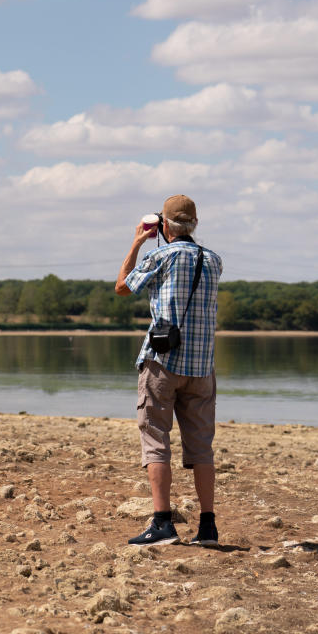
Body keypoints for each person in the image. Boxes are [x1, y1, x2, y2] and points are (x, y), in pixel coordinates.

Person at [114, 195, 223, 546]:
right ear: (194, 224)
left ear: (164, 226)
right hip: (202, 367)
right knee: (202, 448)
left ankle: (163, 524)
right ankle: (208, 527)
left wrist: (136, 242)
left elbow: (122, 286)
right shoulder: (214, 261)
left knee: (156, 441)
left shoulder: (161, 255)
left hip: (164, 362)